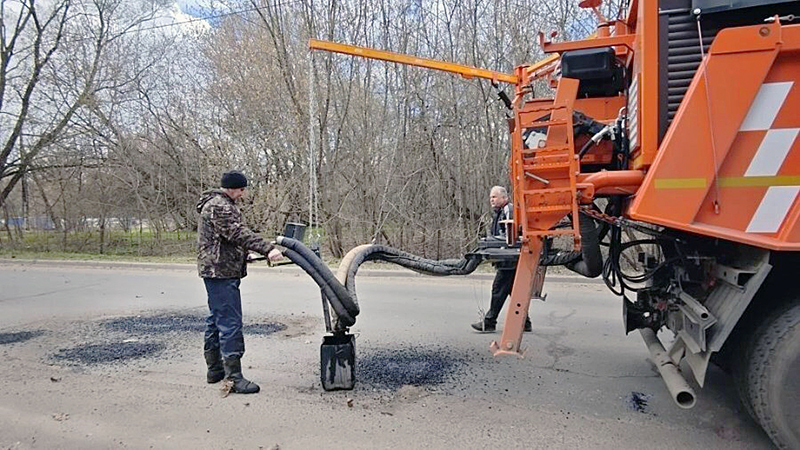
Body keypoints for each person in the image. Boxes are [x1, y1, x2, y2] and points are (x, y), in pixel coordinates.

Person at [196, 170, 283, 394]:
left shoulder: (218, 204)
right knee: (230, 323)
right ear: (232, 188)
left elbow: (223, 238)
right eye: (241, 189)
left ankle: (215, 370)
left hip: (218, 269)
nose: (243, 194)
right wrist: (267, 249)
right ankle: (233, 377)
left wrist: (245, 255)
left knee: (216, 319)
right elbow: (237, 233)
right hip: (220, 272)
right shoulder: (220, 206)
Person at [471, 186, 532, 333]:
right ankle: (525, 322)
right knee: (513, 291)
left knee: (498, 289)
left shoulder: (508, 210)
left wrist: (494, 246)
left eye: (494, 197)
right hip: (507, 258)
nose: (491, 200)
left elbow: (509, 235)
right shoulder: (499, 213)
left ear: (504, 198)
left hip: (509, 259)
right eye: (491, 197)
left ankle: (489, 322)